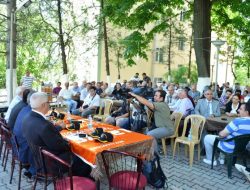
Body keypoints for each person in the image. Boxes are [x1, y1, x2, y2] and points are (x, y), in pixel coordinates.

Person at [22, 92, 91, 177]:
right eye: (49, 102)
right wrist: (69, 143)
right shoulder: (44, 126)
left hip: (37, 158)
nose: (50, 105)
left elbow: (47, 135)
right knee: (82, 158)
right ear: (44, 105)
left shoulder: (27, 118)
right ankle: (80, 181)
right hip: (50, 163)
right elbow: (61, 147)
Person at [12, 91, 36, 178]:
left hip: (18, 144)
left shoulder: (24, 109)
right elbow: (41, 131)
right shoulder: (31, 115)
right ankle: (34, 170)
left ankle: (32, 169)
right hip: (24, 148)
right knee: (46, 144)